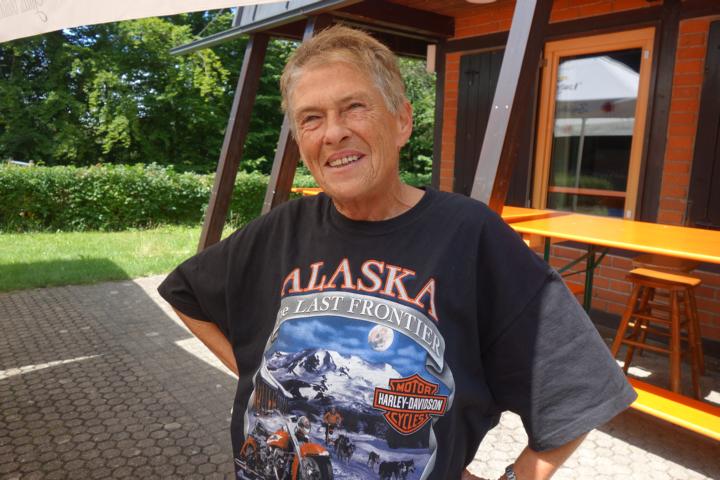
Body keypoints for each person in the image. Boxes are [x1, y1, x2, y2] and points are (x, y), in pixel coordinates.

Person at [158, 25, 636, 480]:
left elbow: (580, 385)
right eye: (311, 118)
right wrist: (261, 380)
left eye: (354, 107)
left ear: (402, 121)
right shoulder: (282, 228)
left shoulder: (468, 235)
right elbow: (186, 294)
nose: (333, 133)